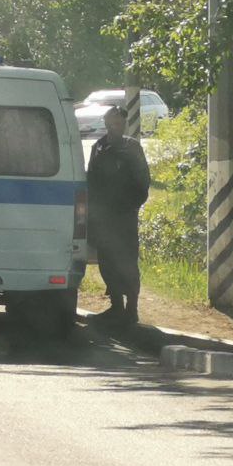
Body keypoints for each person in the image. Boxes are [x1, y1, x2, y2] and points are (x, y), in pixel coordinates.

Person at [87, 105, 150, 326]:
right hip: (104, 218)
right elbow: (91, 182)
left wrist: (131, 206)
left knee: (128, 262)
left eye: (119, 123)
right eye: (112, 122)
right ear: (105, 123)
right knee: (107, 262)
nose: (115, 126)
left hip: (125, 217)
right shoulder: (99, 148)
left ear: (124, 124)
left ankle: (131, 309)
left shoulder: (132, 148)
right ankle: (116, 307)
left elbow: (143, 183)